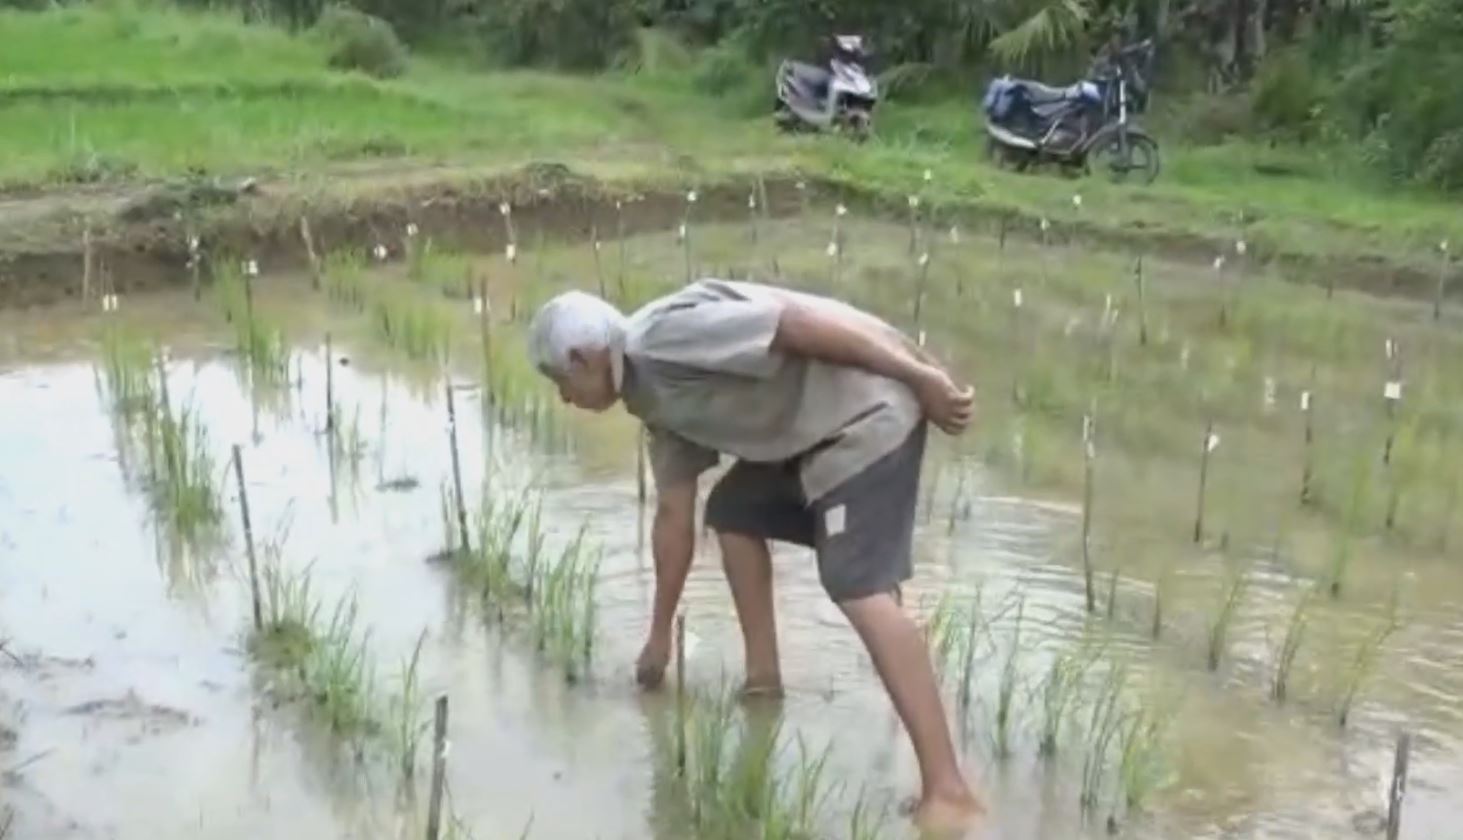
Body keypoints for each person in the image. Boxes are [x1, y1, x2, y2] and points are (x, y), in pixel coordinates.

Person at [528, 278, 983, 834]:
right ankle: (763, 680)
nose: (563, 398)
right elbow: (674, 517)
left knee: (854, 581)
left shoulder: (663, 339)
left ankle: (949, 788)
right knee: (734, 511)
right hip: (812, 433)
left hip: (868, 413)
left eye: (559, 382)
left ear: (581, 359)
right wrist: (658, 637)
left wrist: (921, 376)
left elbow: (794, 324)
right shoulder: (650, 398)